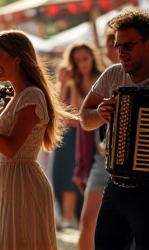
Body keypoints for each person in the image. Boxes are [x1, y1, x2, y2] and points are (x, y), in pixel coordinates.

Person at [0, 30, 78, 250]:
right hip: (14, 183)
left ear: (17, 56)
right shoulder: (19, 95)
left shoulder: (31, 95)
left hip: (24, 184)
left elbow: (10, 148)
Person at [80, 8, 149, 250]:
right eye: (118, 46)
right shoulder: (113, 75)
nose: (121, 53)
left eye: (128, 46)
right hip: (116, 184)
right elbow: (84, 118)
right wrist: (98, 114)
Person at [76, 23, 119, 250]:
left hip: (126, 165)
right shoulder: (108, 76)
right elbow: (83, 116)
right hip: (100, 160)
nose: (113, 50)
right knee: (88, 219)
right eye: (113, 45)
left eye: (114, 45)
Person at [52, 41, 103, 229]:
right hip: (75, 133)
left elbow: (80, 114)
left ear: (93, 58)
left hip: (96, 134)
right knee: (68, 173)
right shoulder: (74, 81)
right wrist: (66, 84)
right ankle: (70, 216)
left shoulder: (103, 77)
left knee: (91, 174)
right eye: (77, 60)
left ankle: (87, 217)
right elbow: (67, 111)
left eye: (85, 58)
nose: (82, 64)